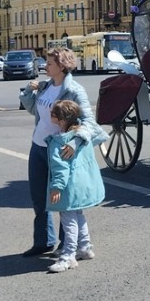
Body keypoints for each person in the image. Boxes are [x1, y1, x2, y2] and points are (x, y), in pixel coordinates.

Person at [19, 47, 103, 258]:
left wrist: (75, 143)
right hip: (38, 147)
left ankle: (68, 246)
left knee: (65, 200)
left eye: (49, 63)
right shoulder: (46, 86)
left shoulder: (74, 90)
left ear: (61, 66)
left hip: (59, 151)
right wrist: (28, 91)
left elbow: (89, 123)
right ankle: (43, 242)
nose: (45, 66)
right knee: (39, 198)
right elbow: (34, 110)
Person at [45, 100, 107, 273]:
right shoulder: (82, 136)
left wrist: (56, 187)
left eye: (53, 114)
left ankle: (68, 256)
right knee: (79, 216)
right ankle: (85, 247)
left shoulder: (59, 142)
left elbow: (60, 168)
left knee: (68, 220)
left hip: (68, 188)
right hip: (81, 185)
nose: (51, 115)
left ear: (62, 120)